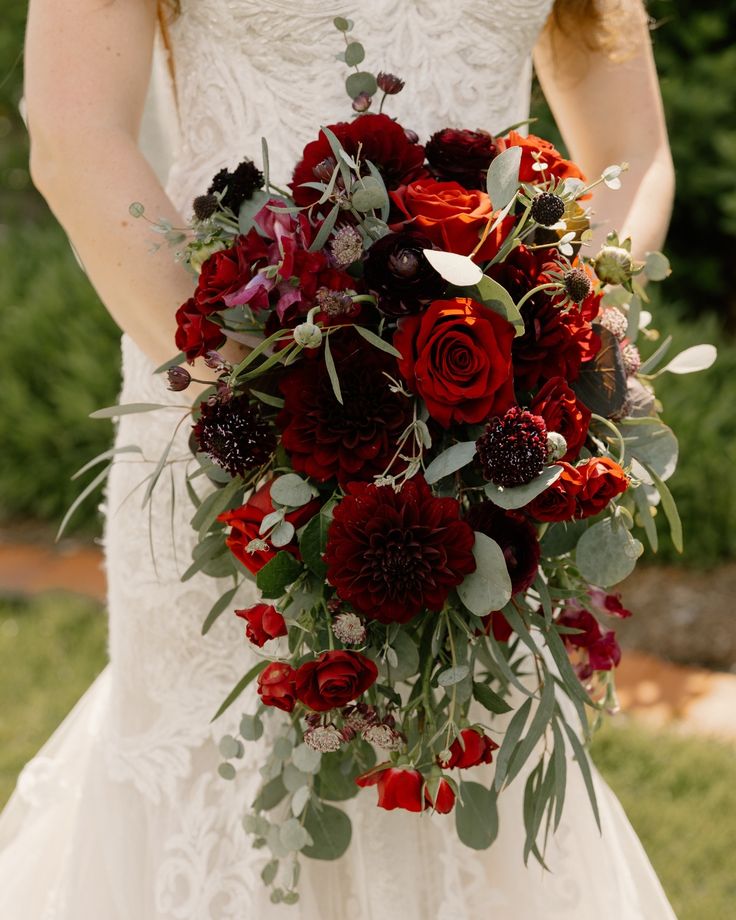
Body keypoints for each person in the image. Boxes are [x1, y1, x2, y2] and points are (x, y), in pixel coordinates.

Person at [0, 1, 677, 917]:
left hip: (487, 444)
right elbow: (74, 134)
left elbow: (633, 147)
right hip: (229, 419)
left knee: (464, 751)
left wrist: (559, 340)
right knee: (224, 767)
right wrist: (261, 398)